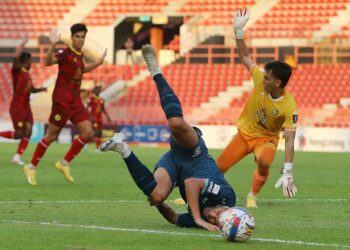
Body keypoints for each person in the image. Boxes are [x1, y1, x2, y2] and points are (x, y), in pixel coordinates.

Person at [100, 44, 236, 231]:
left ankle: (122, 147)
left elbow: (174, 218)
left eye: (215, 221)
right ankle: (155, 71)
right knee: (176, 123)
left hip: (174, 164)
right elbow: (192, 183)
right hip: (193, 154)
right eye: (218, 214)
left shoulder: (205, 221)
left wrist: (158, 204)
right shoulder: (227, 197)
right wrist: (198, 218)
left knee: (156, 195)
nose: (212, 215)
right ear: (226, 209)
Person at [216, 9, 298, 208]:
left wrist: (288, 169)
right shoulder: (261, 78)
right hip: (244, 134)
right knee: (217, 168)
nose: (264, 79)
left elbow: (289, 139)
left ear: (278, 82)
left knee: (265, 160)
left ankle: (252, 195)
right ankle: (196, 195)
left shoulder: (289, 107)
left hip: (266, 138)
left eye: (268, 78)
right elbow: (244, 56)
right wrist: (238, 33)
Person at [23, 23, 107, 186]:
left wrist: (98, 63)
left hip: (75, 102)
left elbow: (80, 70)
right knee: (51, 136)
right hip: (62, 102)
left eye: (83, 37)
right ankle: (31, 167)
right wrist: (53, 43)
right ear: (72, 37)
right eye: (77, 36)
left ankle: (64, 163)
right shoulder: (65, 53)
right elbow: (47, 62)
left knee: (88, 133)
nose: (80, 40)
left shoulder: (80, 54)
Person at [0, 40, 47, 165]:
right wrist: (23, 44)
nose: (31, 63)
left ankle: (17, 157)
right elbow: (15, 57)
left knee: (28, 131)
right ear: (25, 61)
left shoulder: (27, 75)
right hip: (17, 107)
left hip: (26, 107)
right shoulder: (17, 71)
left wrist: (41, 89)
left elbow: (32, 89)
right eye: (30, 61)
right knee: (19, 134)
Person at [87, 85, 111, 151]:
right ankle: (97, 148)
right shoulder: (91, 98)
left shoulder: (101, 100)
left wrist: (107, 116)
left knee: (98, 133)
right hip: (94, 118)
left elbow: (103, 109)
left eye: (100, 90)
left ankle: (86, 145)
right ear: (95, 91)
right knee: (97, 132)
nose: (99, 91)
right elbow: (87, 107)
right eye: (98, 89)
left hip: (100, 119)